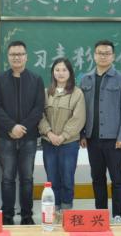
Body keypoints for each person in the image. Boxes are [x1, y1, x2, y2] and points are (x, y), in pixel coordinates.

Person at [0, 40, 45, 225]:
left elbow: (38, 108)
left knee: (27, 178)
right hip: (6, 137)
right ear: (8, 57)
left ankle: (27, 217)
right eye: (13, 54)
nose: (17, 58)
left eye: (20, 54)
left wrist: (22, 128)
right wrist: (11, 127)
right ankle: (7, 217)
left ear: (26, 57)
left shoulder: (36, 79)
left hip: (29, 138)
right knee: (7, 178)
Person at [79, 40, 121, 224]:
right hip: (92, 138)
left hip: (114, 139)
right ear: (94, 56)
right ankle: (100, 213)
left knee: (117, 179)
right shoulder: (85, 79)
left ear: (113, 56)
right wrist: (82, 134)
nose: (103, 56)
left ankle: (118, 215)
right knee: (97, 178)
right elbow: (81, 110)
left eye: (107, 53)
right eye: (100, 53)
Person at [39, 58, 85, 216]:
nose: (60, 73)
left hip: (69, 143)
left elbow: (78, 118)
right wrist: (49, 133)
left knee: (67, 178)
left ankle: (66, 210)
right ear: (52, 72)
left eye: (64, 70)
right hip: (49, 142)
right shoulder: (46, 93)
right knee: (52, 178)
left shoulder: (77, 93)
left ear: (70, 72)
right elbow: (40, 115)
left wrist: (63, 136)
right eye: (57, 70)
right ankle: (54, 210)